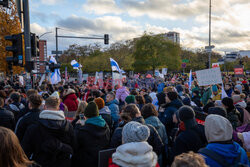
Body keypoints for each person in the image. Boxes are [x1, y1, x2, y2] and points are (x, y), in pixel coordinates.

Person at [21, 96, 74, 167]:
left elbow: (25, 150)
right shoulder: (68, 126)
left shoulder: (34, 127)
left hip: (40, 163)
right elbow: (73, 146)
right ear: (58, 108)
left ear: (45, 107)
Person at [72, 102, 110, 167]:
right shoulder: (105, 126)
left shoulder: (82, 130)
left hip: (84, 162)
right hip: (101, 161)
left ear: (86, 116)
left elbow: (74, 145)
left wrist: (78, 126)